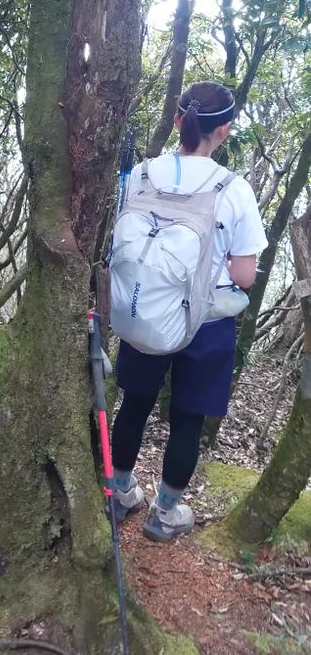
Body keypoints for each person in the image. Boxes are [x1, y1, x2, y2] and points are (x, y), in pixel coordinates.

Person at [110, 81, 267, 543]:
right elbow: (244, 276)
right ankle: (165, 514)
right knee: (187, 419)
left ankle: (121, 493)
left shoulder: (141, 174)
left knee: (134, 404)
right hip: (207, 322)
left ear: (178, 120)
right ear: (224, 130)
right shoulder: (233, 189)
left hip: (145, 306)